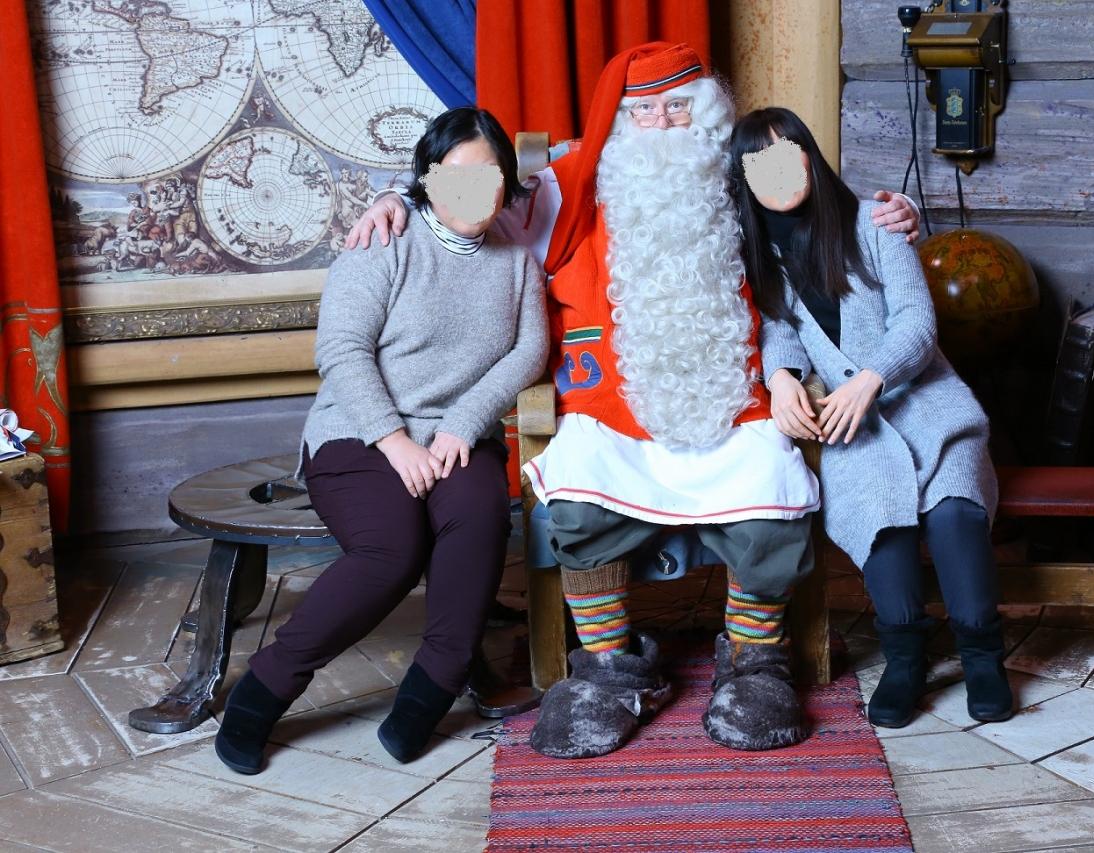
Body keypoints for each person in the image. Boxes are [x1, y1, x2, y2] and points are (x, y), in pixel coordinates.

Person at [347, 42, 922, 759]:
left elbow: (816, 204)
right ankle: (608, 668)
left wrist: (891, 210)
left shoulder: (736, 174)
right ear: (618, 121)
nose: (659, 123)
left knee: (767, 490)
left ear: (703, 113)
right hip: (609, 407)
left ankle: (755, 662)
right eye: (641, 111)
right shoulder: (567, 186)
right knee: (580, 497)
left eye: (675, 107)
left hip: (733, 401)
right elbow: (472, 202)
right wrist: (398, 198)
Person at [213, 107, 549, 775]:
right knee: (393, 549)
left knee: (480, 517)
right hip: (360, 431)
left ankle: (430, 690)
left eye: (489, 178)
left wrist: (463, 422)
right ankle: (263, 691)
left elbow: (529, 350)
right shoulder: (385, 240)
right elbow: (341, 349)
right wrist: (395, 441)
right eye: (456, 178)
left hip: (456, 435)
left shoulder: (515, 256)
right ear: (426, 178)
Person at [729, 106, 1011, 728]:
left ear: (810, 156)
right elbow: (779, 330)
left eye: (788, 153)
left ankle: (982, 655)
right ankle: (906, 659)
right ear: (742, 179)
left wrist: (870, 378)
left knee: (956, 512)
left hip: (930, 408)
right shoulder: (759, 256)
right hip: (852, 429)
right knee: (882, 520)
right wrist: (780, 378)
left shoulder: (873, 223)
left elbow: (917, 321)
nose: (778, 172)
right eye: (759, 163)